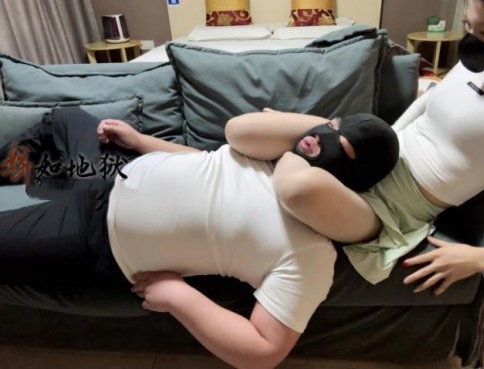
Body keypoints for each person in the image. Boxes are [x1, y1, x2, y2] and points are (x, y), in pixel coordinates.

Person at [226, 0, 484, 347]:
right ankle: (307, 148)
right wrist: (365, 139)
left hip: (391, 209)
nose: (471, 41)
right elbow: (426, 105)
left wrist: (481, 260)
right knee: (240, 130)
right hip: (371, 155)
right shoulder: (479, 62)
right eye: (469, 26)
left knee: (299, 188)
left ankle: (291, 160)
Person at [0, 106, 398, 369]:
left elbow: (264, 350)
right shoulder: (272, 153)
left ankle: (27, 199)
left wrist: (178, 296)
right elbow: (208, 163)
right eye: (331, 125)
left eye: (339, 143)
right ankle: (24, 192)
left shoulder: (311, 253)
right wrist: (141, 142)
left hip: (100, 235)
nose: (317, 136)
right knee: (63, 120)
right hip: (111, 170)